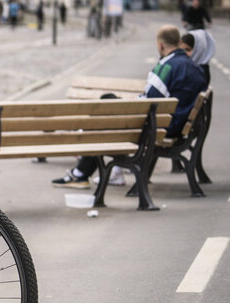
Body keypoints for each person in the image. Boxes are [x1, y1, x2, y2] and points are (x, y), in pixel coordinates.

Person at [52, 25, 207, 189]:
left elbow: (149, 102)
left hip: (161, 126)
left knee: (102, 116)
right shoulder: (196, 68)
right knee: (109, 103)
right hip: (177, 124)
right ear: (178, 42)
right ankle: (109, 172)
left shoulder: (166, 67)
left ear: (160, 45)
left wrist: (127, 105)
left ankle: (81, 174)